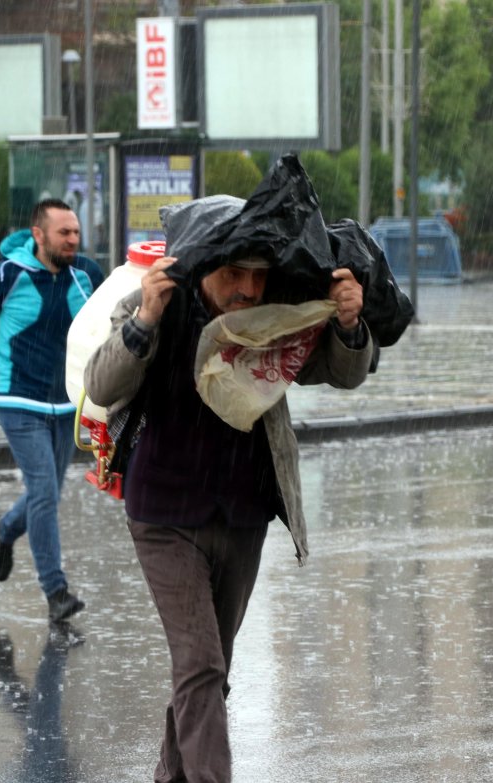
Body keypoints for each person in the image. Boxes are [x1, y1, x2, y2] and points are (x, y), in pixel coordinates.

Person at [84, 252, 373, 782]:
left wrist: (349, 325)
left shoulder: (271, 317)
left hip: (243, 513)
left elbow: (339, 371)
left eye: (259, 275)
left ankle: (171, 775)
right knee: (201, 665)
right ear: (203, 270)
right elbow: (102, 386)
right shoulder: (156, 305)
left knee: (210, 672)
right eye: (233, 274)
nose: (248, 288)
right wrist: (146, 318)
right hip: (164, 516)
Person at [0, 198, 104, 623]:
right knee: (44, 493)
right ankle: (56, 592)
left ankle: (4, 529)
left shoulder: (87, 275)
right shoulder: (8, 274)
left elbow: (114, 320)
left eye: (75, 232)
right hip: (18, 400)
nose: (73, 240)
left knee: (47, 493)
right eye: (64, 233)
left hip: (68, 403)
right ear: (39, 235)